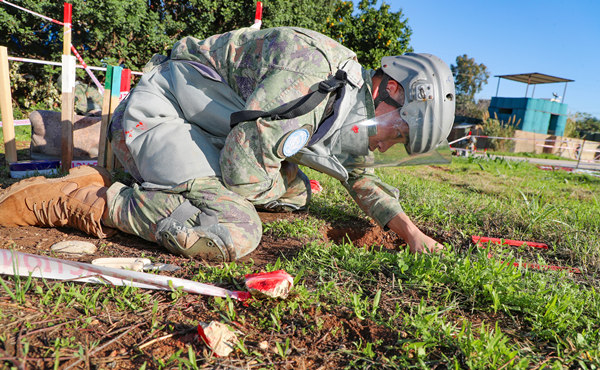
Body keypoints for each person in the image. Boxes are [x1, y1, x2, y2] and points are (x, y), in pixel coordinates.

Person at [0, 26, 455, 262]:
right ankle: (81, 200)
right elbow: (243, 169)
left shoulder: (348, 99)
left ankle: (117, 176)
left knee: (296, 192)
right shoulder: (313, 80)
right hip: (158, 117)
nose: (392, 143)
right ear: (393, 91)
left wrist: (412, 234)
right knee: (234, 233)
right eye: (402, 132)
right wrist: (278, 188)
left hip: (204, 130)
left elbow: (360, 174)